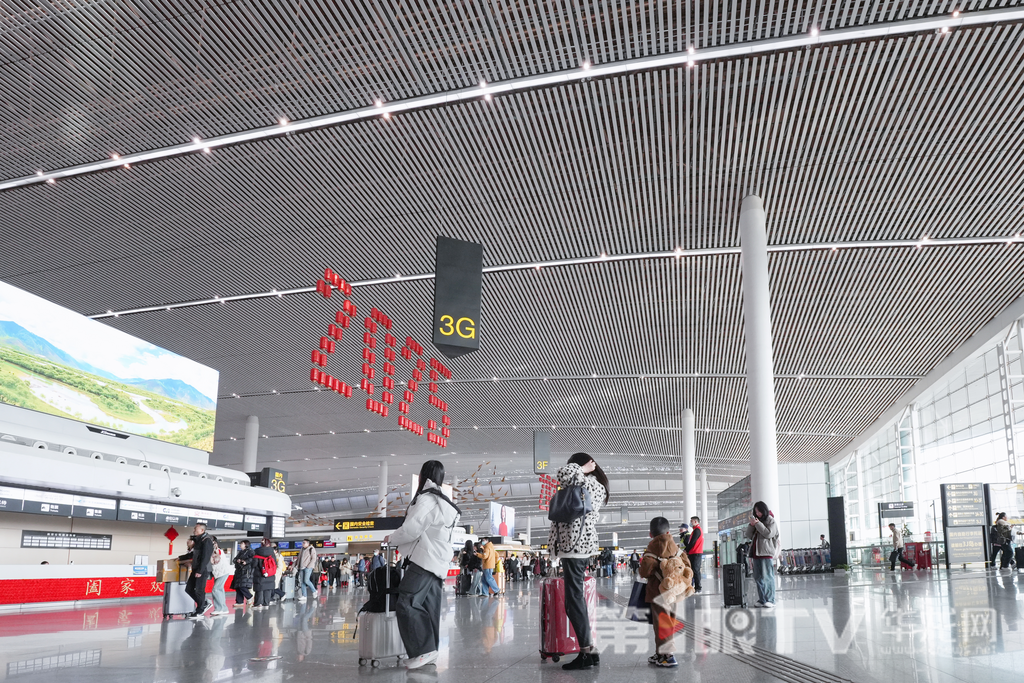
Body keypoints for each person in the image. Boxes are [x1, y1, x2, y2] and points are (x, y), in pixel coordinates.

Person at [386, 460, 461, 670]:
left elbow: (412, 529)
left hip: (425, 559)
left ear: (423, 476)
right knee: (429, 607)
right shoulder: (442, 501)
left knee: (407, 602)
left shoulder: (427, 499)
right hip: (437, 560)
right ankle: (430, 651)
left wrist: (391, 539)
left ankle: (422, 650)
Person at [548, 452, 609, 670]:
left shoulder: (586, 481)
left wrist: (581, 469)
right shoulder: (590, 484)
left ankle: (586, 651)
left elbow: (561, 474)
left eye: (573, 466)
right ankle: (590, 650)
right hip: (578, 545)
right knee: (575, 599)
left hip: (575, 544)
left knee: (574, 600)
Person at [640, 517, 686, 667]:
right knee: (667, 621)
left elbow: (644, 572)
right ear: (668, 532)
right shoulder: (677, 550)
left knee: (661, 623)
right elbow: (686, 565)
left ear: (650, 534)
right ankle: (660, 654)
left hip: (657, 593)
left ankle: (668, 655)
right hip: (674, 593)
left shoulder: (650, 551)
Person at [744, 501, 779, 609]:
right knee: (758, 578)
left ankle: (770, 600)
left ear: (764, 510)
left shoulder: (770, 520)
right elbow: (748, 535)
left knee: (767, 577)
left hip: (766, 552)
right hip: (756, 553)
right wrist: (751, 524)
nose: (758, 513)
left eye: (759, 511)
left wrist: (758, 524)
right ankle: (762, 599)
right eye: (756, 511)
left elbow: (769, 534)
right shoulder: (757, 521)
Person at [184, 523, 214, 619]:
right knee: (188, 589)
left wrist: (200, 571)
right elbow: (193, 554)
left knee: (199, 590)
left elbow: (205, 557)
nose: (194, 531)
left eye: (195, 529)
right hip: (195, 568)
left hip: (202, 569)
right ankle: (204, 603)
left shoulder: (207, 541)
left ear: (202, 530)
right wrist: (180, 558)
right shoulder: (199, 540)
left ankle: (200, 610)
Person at [209, 536, 232, 616]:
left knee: (216, 589)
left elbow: (214, 560)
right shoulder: (215, 550)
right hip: (220, 573)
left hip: (222, 572)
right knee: (220, 590)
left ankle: (219, 609)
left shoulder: (216, 550)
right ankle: (224, 608)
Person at [252, 538, 276, 609]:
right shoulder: (272, 553)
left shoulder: (257, 552)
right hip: (270, 574)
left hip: (259, 574)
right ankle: (266, 603)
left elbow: (254, 564)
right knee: (268, 589)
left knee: (259, 589)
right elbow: (275, 564)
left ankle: (258, 603)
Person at [684, 516, 704, 593]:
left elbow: (692, 542)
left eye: (691, 521)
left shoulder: (697, 530)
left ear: (696, 522)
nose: (690, 523)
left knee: (696, 570)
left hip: (696, 553)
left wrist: (686, 550)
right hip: (693, 553)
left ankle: (698, 588)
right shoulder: (695, 530)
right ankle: (694, 587)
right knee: (693, 570)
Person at [232, 540, 254, 607]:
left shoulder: (250, 551)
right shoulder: (240, 552)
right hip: (239, 571)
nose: (240, 545)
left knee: (242, 586)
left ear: (245, 544)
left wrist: (245, 562)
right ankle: (239, 601)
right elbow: (234, 559)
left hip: (246, 571)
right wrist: (237, 560)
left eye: (241, 544)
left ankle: (249, 597)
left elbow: (252, 559)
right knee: (238, 586)